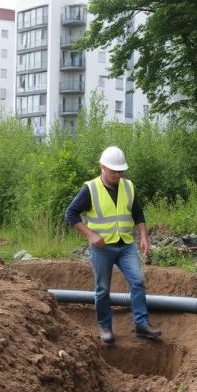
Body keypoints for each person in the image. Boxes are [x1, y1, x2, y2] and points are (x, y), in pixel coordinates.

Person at [65, 146, 162, 344]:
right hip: (102, 248)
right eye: (114, 171)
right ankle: (105, 326)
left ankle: (142, 324)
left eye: (120, 171)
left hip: (126, 245)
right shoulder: (90, 189)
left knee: (137, 281)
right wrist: (90, 234)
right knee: (102, 289)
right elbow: (71, 214)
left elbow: (138, 213)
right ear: (102, 167)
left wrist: (144, 236)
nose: (118, 174)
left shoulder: (128, 186)